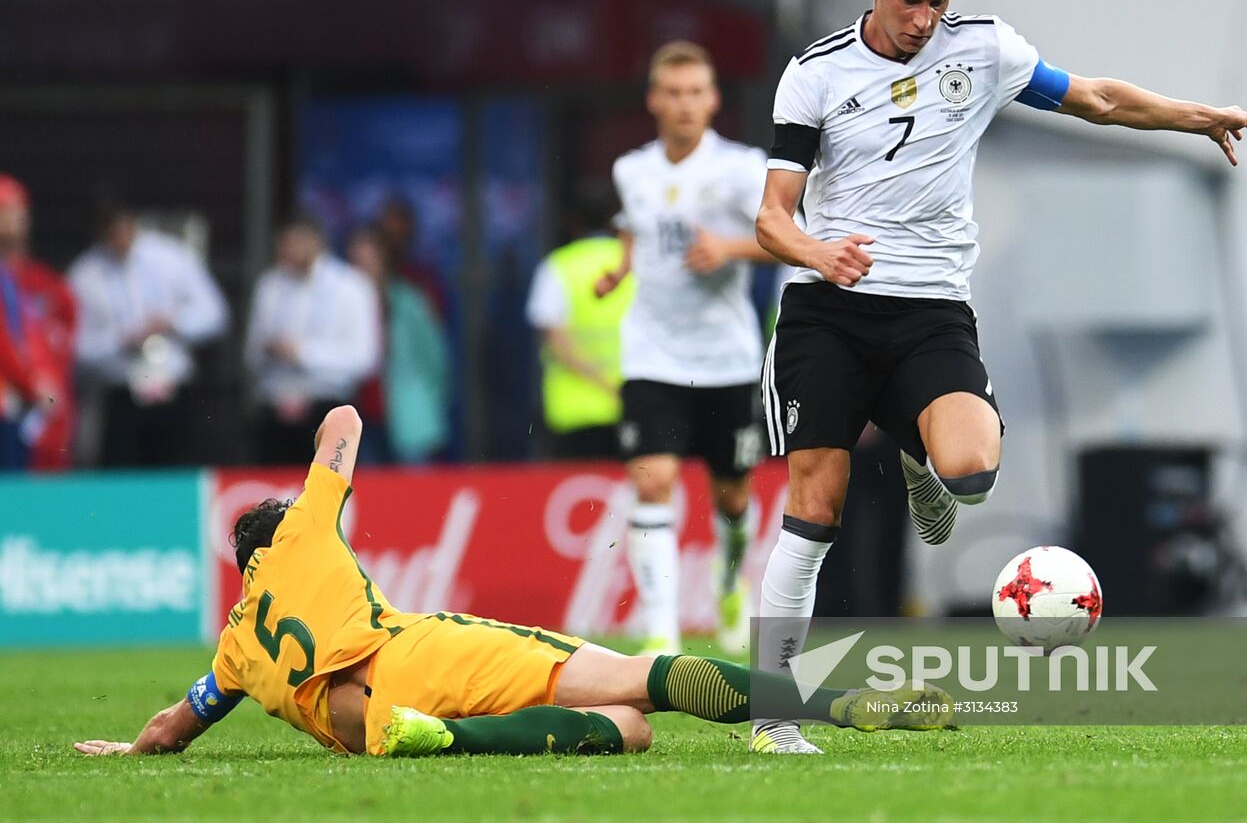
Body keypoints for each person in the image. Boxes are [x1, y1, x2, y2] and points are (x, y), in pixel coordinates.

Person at [752, 0, 1247, 754]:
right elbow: (773, 217)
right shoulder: (813, 75)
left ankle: (922, 455)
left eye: (940, 2)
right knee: (817, 508)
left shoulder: (983, 50)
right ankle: (773, 716)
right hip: (828, 310)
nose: (925, 20)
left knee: (973, 473)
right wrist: (818, 250)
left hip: (930, 314)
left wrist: (1196, 117)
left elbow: (1094, 98)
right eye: (911, 0)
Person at [72, 404, 951, 759]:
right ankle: (841, 701)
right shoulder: (302, 525)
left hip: (363, 722)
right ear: (279, 529)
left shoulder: (231, 647)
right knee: (645, 680)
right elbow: (342, 421)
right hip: (420, 652)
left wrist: (125, 752)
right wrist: (318, 476)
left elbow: (168, 727)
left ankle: (443, 740)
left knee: (630, 734)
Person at [594, 41, 776, 656]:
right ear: (653, 100)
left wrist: (729, 249)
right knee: (653, 481)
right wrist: (620, 269)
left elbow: (785, 238)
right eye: (672, 93)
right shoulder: (633, 169)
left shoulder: (742, 168)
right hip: (652, 352)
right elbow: (633, 225)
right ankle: (661, 634)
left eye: (696, 92)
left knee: (732, 496)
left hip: (726, 356)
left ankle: (729, 583)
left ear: (714, 100)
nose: (684, 105)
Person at [67, 200, 228, 468]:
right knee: (123, 477)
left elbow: (214, 314)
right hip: (122, 393)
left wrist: (173, 323)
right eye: (111, 231)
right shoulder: (84, 275)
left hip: (171, 386)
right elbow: (78, 349)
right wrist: (120, 340)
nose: (121, 238)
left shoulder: (170, 256)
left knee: (178, 473)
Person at [245, 215, 380, 466]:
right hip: (276, 408)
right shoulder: (271, 285)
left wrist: (304, 353)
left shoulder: (351, 286)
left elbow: (366, 357)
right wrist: (271, 350)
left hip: (326, 406)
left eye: (293, 243)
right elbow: (252, 354)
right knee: (277, 496)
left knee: (325, 493)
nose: (286, 251)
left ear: (314, 242)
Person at [525, 197, 635, 460]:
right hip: (633, 403)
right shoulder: (632, 263)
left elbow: (556, 341)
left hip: (576, 410)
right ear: (613, 220)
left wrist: (602, 383)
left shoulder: (558, 266)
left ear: (573, 223)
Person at [347, 227, 451, 465]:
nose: (362, 270)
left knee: (415, 494)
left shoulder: (409, 301)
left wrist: (425, 404)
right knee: (366, 493)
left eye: (368, 261)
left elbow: (434, 358)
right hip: (360, 415)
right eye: (356, 263)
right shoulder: (343, 306)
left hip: (407, 415)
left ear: (383, 261)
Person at [0, 175, 73, 470]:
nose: (20, 219)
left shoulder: (35, 281)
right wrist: (32, 384)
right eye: (10, 211)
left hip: (28, 410)